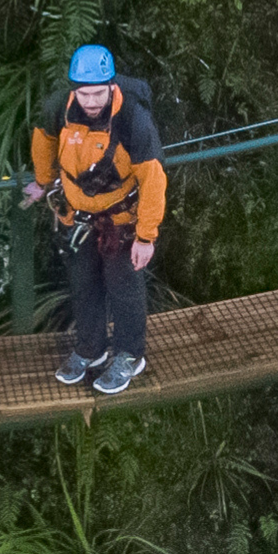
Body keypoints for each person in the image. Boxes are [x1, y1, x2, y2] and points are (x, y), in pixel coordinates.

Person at [23, 44, 166, 396]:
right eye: (84, 93)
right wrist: (43, 182)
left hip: (121, 222)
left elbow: (153, 178)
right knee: (84, 284)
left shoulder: (132, 118)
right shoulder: (61, 107)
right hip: (79, 218)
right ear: (74, 89)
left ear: (111, 86)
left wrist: (146, 237)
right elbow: (44, 141)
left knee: (124, 289)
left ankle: (130, 355)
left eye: (98, 93)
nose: (91, 101)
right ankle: (91, 348)